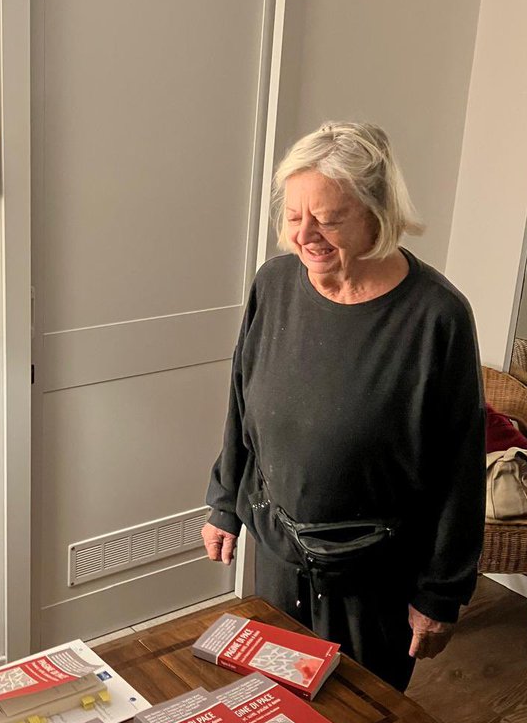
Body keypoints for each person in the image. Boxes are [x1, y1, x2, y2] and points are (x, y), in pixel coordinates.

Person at [202, 122, 485, 691]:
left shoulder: (436, 318)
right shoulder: (274, 285)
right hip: (279, 558)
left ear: (378, 214)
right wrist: (224, 501)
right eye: (293, 217)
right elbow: (242, 400)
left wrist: (440, 593)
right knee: (272, 709)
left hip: (376, 579)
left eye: (328, 219)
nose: (306, 235)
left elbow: (459, 469)